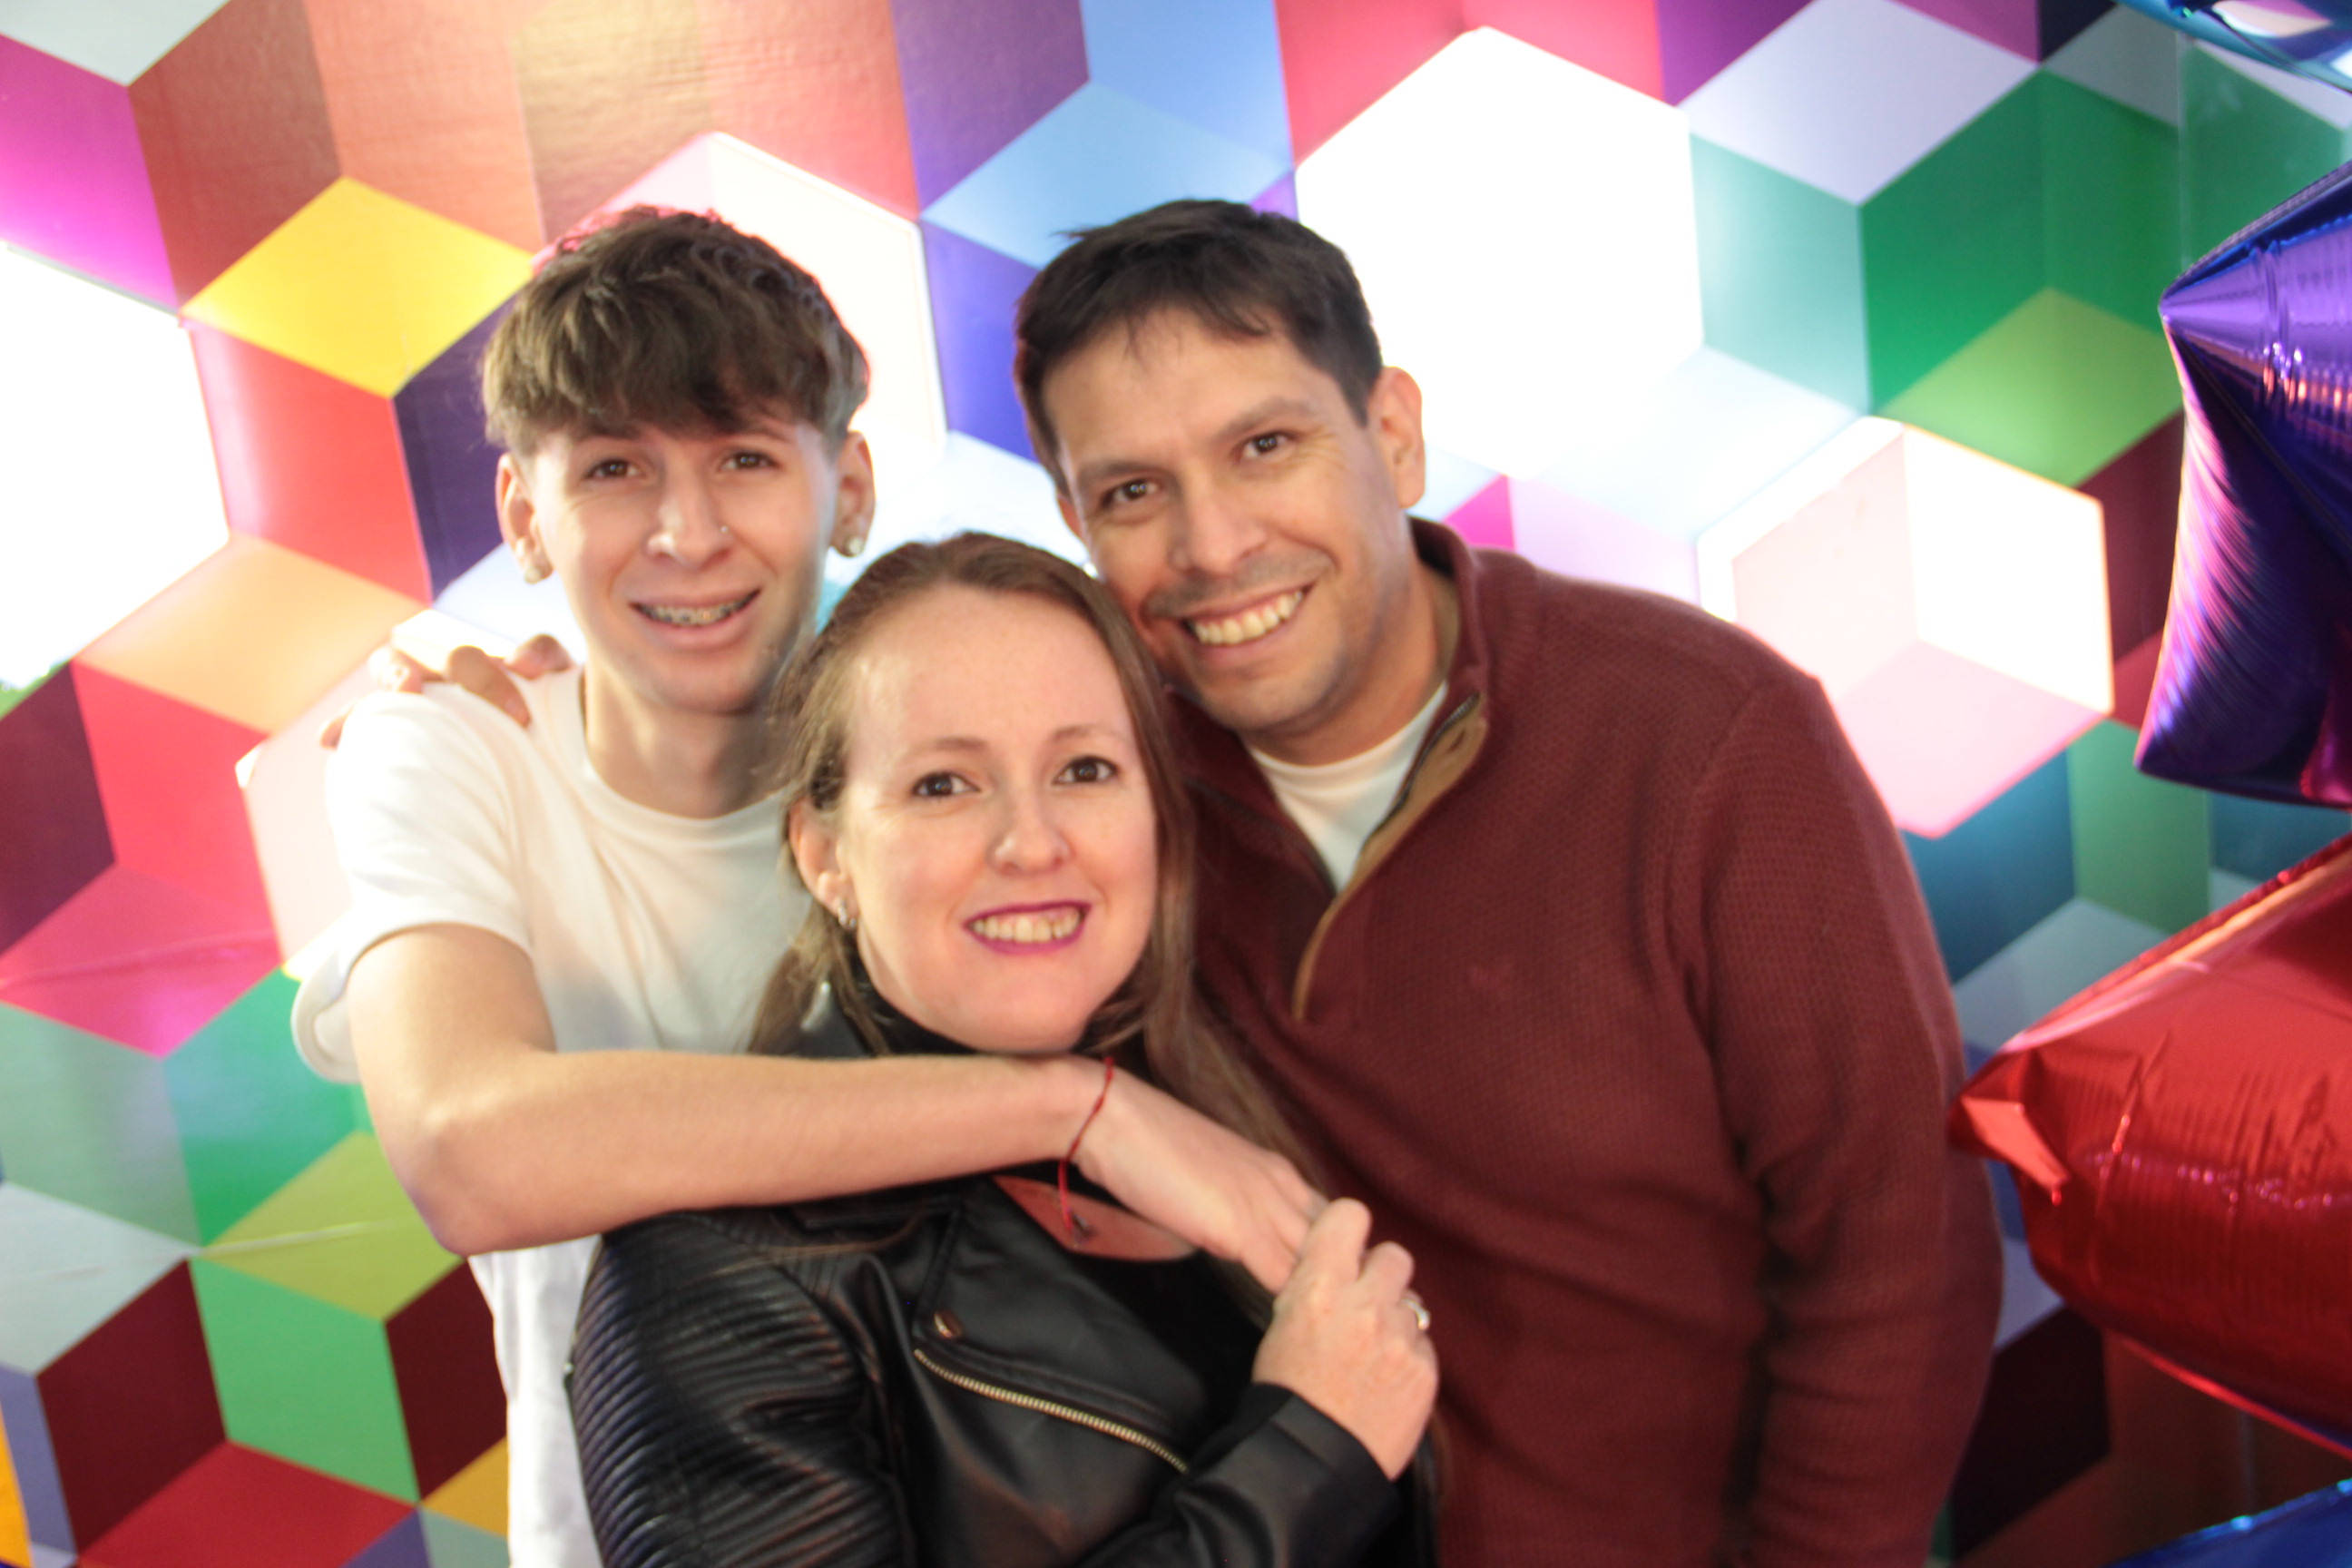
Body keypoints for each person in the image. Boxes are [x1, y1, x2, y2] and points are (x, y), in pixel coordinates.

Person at [293, 209, 1321, 1568]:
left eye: (745, 458)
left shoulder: (939, 764)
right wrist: (1077, 1108)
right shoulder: (452, 747)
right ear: (525, 516)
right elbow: (468, 1150)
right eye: (614, 469)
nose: (687, 533)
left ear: (848, 489)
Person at [1008, 200, 2004, 1567]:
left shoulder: (1707, 734)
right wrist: (1068, 1103)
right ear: (1075, 522)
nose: (1213, 545)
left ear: (1394, 434)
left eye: (1265, 446)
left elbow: (1897, 1255)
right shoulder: (1084, 792)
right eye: (1133, 492)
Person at [568, 534, 1437, 1566]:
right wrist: (1307, 1458)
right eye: (944, 784)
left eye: (1084, 769)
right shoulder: (715, 1267)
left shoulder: (1210, 1097)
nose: (1032, 843)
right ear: (824, 855)